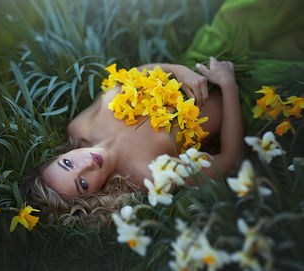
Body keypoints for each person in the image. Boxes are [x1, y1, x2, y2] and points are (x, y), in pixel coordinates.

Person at [21, 57, 244, 226]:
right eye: (83, 184)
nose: (87, 165)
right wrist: (227, 84)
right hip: (241, 97)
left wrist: (178, 71)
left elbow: (129, 78)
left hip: (197, 62)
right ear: (95, 195)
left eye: (68, 164)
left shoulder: (80, 128)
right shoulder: (148, 175)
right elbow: (231, 159)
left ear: (60, 155)